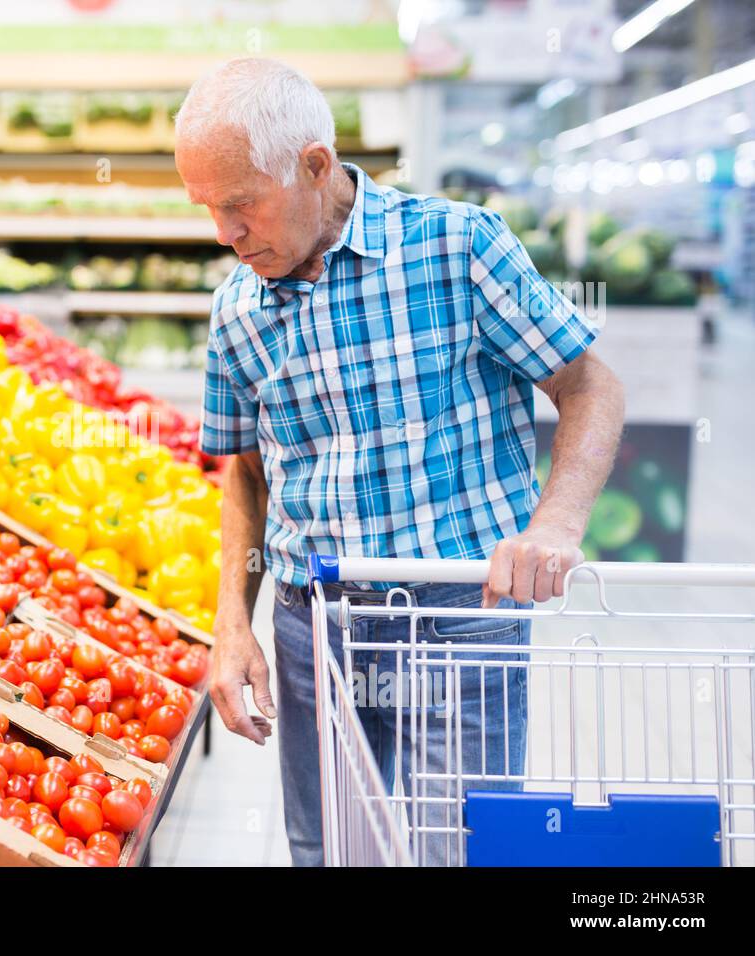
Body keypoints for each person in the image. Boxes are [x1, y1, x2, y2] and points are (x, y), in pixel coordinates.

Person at [175, 58, 625, 866]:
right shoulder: (235, 306)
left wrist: (555, 524)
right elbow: (243, 469)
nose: (224, 234)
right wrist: (232, 624)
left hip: (458, 610)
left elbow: (589, 385)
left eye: (241, 204)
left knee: (456, 848)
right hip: (314, 620)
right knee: (327, 849)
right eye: (208, 208)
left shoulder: (459, 247)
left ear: (315, 165)